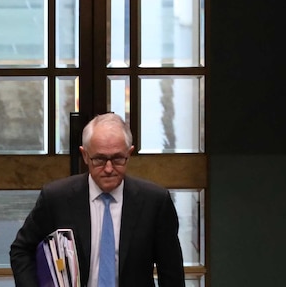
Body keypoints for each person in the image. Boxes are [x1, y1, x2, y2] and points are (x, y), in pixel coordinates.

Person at [10, 113, 185, 286]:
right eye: (100, 159)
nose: (109, 168)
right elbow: (22, 250)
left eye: (117, 159)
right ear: (85, 155)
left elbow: (171, 272)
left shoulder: (154, 201)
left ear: (129, 154)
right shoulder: (57, 198)